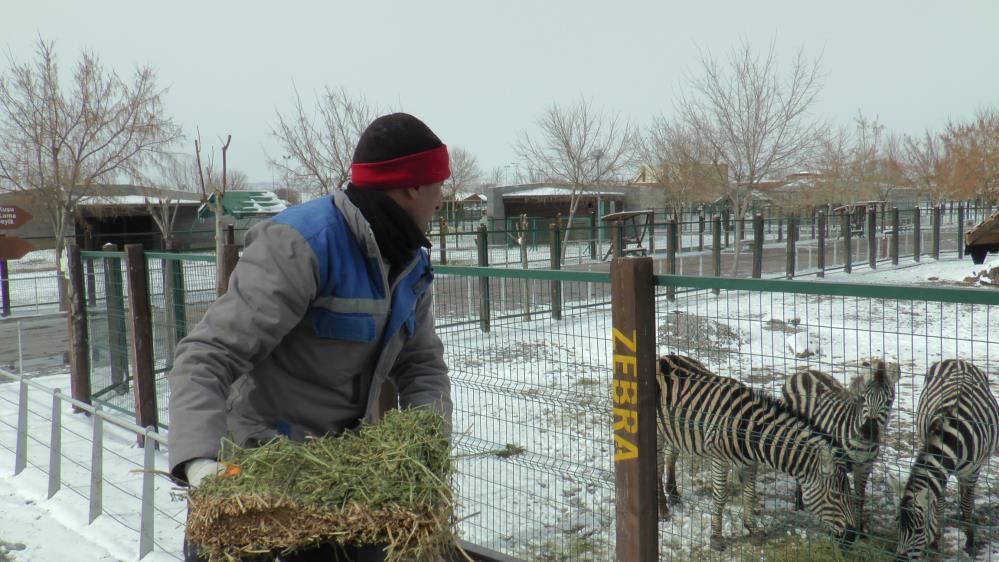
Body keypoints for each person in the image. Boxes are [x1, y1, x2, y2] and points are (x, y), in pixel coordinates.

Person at [167, 112, 453, 562]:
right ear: (412, 186)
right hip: (264, 480)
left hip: (349, 483)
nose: (441, 199)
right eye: (439, 185)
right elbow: (207, 355)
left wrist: (425, 452)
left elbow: (421, 365)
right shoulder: (300, 244)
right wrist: (198, 461)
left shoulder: (410, 262)